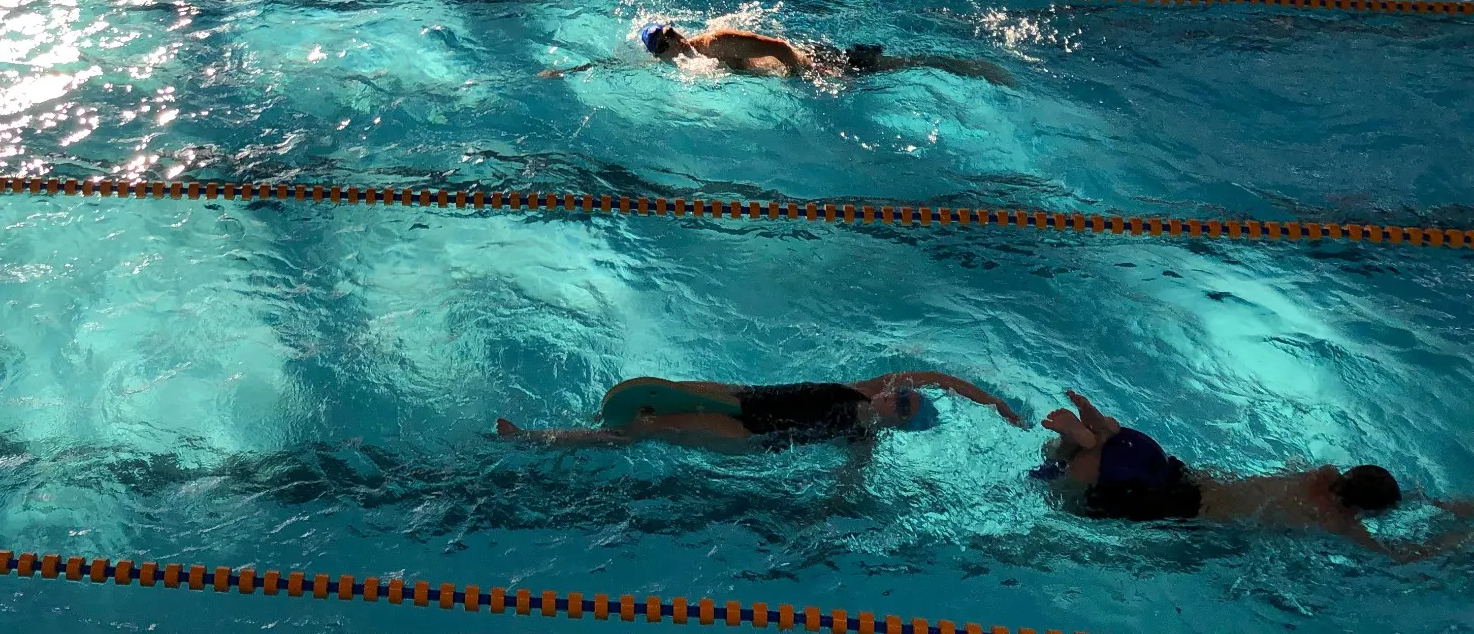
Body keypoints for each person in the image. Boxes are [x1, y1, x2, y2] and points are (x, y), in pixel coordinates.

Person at [1031, 389, 1463, 554]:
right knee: (1073, 498)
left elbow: (1405, 498)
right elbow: (1400, 558)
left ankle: (1099, 431)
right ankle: (1089, 442)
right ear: (1360, 509)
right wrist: (1461, 536)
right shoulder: (1333, 518)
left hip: (1177, 469)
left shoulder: (1324, 474)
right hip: (1182, 506)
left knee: (1102, 445)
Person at [496, 370, 1025, 452]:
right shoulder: (863, 391)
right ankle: (555, 436)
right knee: (668, 390)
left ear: (901, 421)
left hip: (747, 435)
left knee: (647, 428)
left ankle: (537, 438)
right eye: (901, 391)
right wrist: (995, 402)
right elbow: (936, 377)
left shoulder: (863, 441)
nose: (897, 394)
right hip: (748, 396)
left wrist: (818, 525)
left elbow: (847, 489)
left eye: (903, 404)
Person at [562, 22, 1011, 86]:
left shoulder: (714, 43)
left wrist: (802, 73)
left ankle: (969, 66)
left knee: (903, 69)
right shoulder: (682, 61)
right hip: (809, 66)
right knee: (896, 72)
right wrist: (570, 70)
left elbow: (777, 47)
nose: (671, 43)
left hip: (819, 63)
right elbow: (617, 66)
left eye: (671, 35)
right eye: (661, 44)